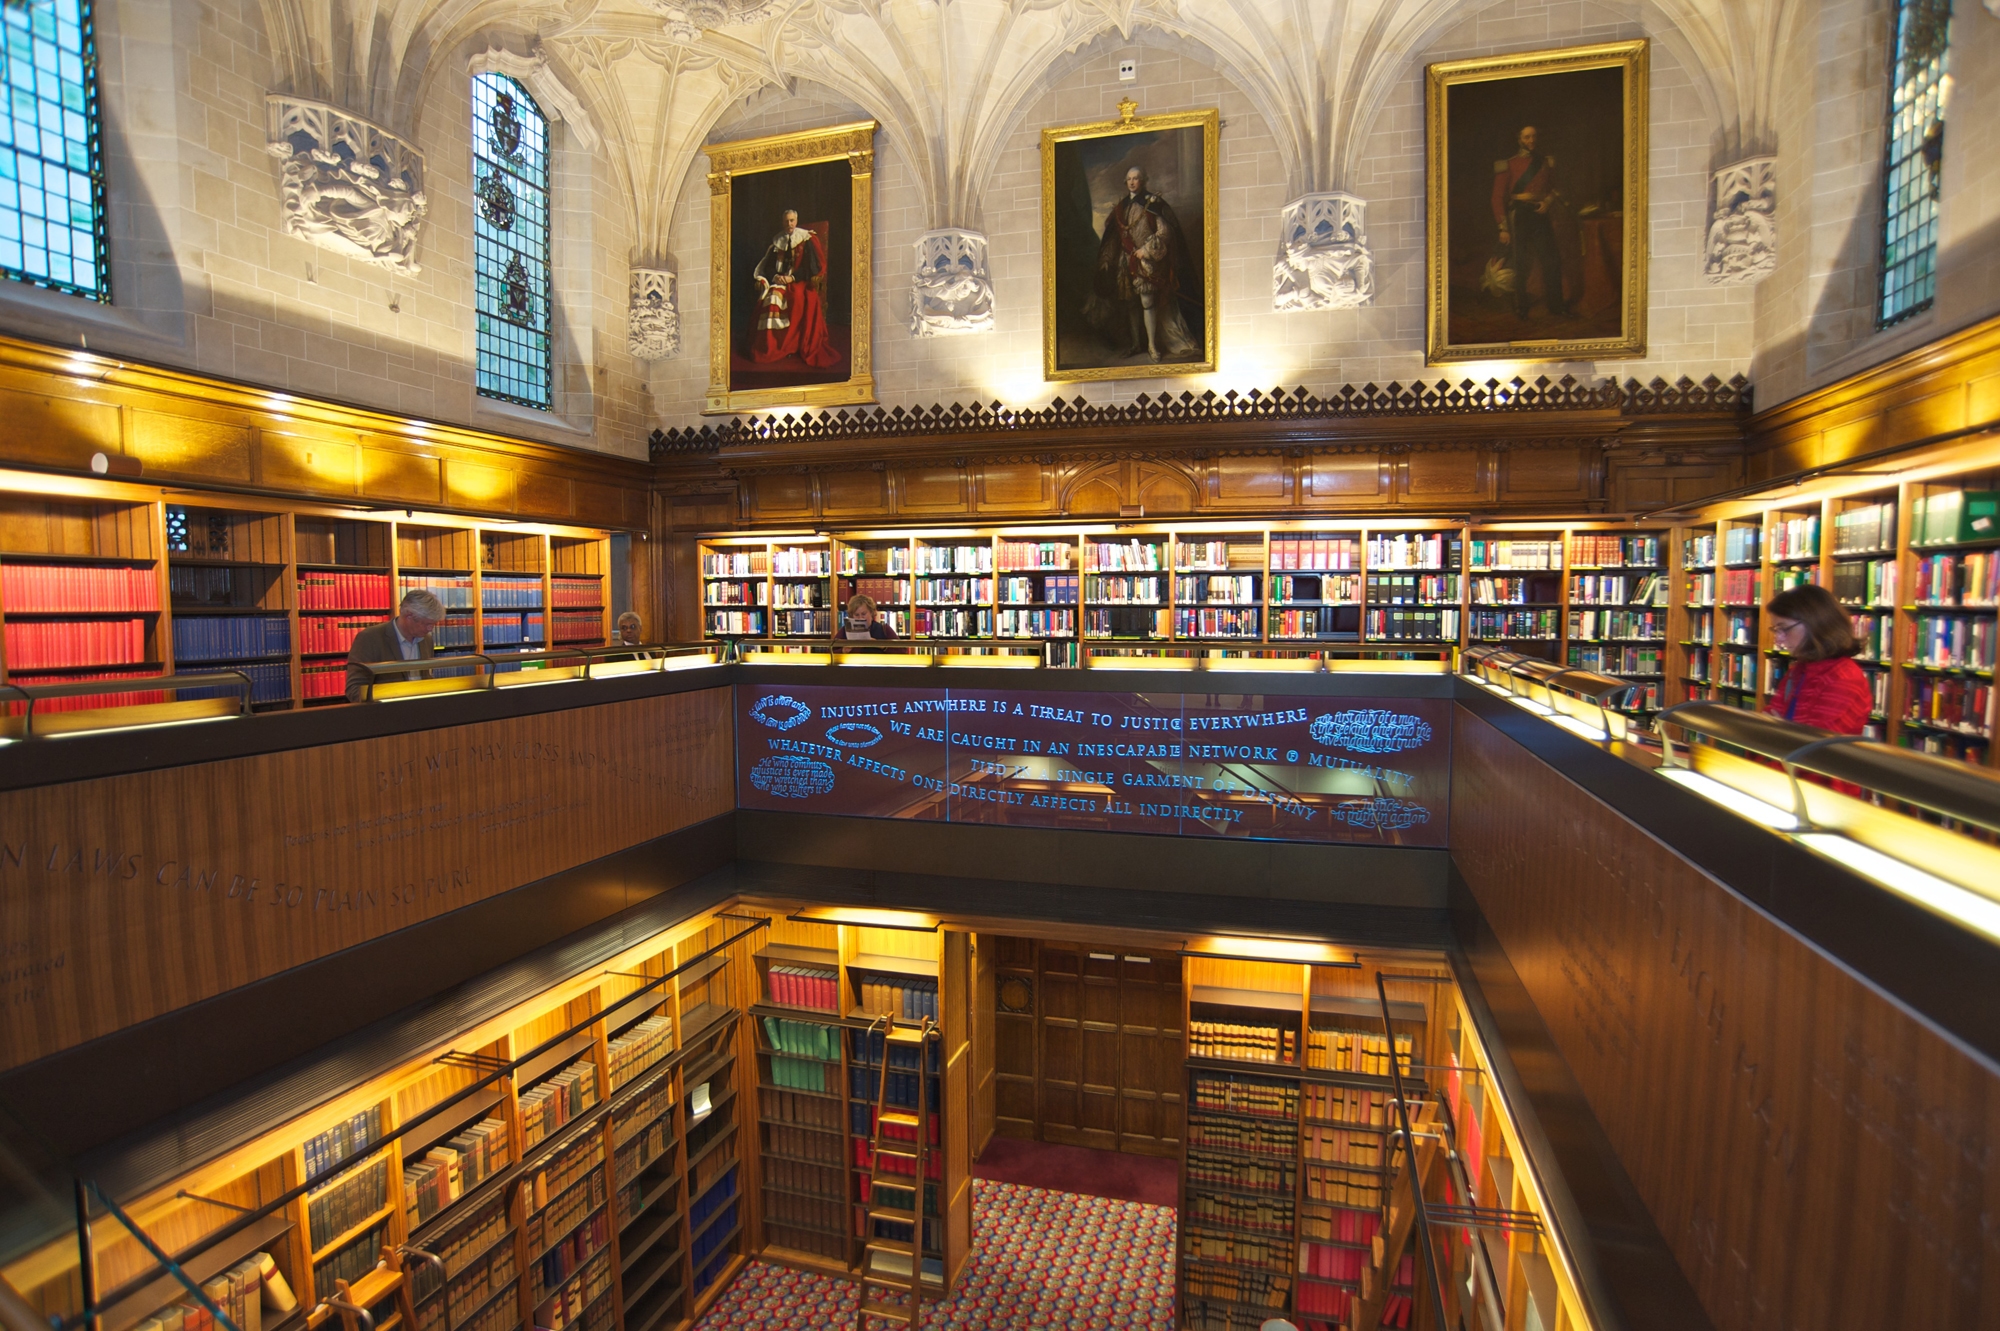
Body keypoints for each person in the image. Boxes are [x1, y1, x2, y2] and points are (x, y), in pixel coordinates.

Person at [1088, 166, 1198, 362]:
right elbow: (1113, 237)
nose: (1132, 182)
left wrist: (1146, 251)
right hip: (1125, 262)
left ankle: (1152, 346)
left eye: (1136, 178)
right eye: (1129, 178)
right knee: (1131, 303)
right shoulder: (1121, 208)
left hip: (1145, 262)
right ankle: (1136, 344)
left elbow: (1165, 233)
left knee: (1147, 302)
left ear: (1143, 181)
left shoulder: (1152, 204)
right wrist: (1106, 259)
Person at [1762, 584, 1873, 734]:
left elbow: (1815, 745)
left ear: (1814, 624)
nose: (1778, 640)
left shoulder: (1845, 678)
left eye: (1784, 629)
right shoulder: (1799, 670)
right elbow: (1766, 725)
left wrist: (1777, 731)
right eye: (1776, 630)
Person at [1491, 125, 1572, 319]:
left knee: (1551, 260)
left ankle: (1556, 306)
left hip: (1540, 213)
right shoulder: (1509, 164)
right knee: (1520, 261)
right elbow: (1497, 197)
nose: (1531, 140)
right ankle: (1521, 306)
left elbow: (1556, 189)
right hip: (1519, 214)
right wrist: (1502, 227)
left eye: (1534, 136)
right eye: (1527, 137)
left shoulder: (1545, 162)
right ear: (1519, 139)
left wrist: (1548, 202)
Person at [749, 208, 841, 368]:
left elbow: (811, 268)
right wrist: (776, 276)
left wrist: (791, 278)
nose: (789, 224)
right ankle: (773, 346)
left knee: (797, 298)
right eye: (786, 221)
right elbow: (768, 267)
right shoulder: (777, 241)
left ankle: (793, 344)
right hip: (780, 281)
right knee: (771, 297)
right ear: (782, 222)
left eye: (791, 220)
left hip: (799, 281)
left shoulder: (806, 239)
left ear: (796, 221)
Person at [344, 589, 446, 702]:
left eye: (433, 624)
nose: (430, 629)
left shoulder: (426, 639)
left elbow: (426, 677)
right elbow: (354, 689)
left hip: (420, 711)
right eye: (427, 624)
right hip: (385, 713)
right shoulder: (370, 638)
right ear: (408, 616)